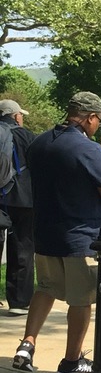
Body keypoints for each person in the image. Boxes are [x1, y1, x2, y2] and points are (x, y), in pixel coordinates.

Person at [11, 92, 101, 373]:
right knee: (81, 299)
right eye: (98, 119)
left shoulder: (39, 143)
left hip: (45, 233)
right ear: (90, 118)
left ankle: (27, 344)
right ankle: (71, 362)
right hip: (80, 236)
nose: (97, 124)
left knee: (46, 288)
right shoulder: (89, 150)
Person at [0, 98, 37, 315]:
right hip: (23, 200)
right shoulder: (26, 136)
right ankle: (19, 301)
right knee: (22, 249)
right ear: (16, 116)